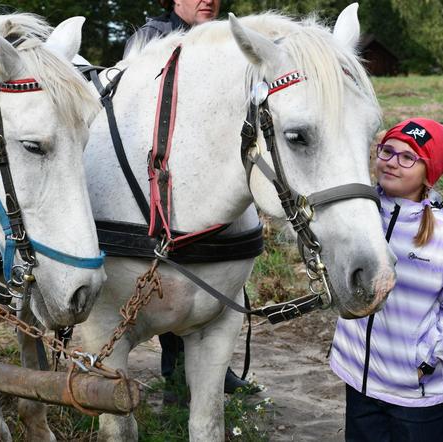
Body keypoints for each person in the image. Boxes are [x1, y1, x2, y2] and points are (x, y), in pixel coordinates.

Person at [123, 0, 257, 402]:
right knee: (173, 275)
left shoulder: (231, 42)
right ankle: (176, 374)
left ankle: (213, 369)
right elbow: (132, 104)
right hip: (163, 173)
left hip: (215, 169)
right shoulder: (150, 37)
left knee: (224, 265)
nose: (207, 0)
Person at [329, 118, 443, 441]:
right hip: (359, 381)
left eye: (407, 157)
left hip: (414, 393)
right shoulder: (360, 216)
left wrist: (428, 358)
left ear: (428, 173)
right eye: (387, 151)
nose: (391, 163)